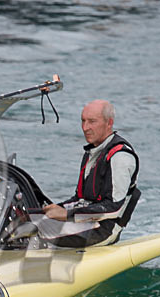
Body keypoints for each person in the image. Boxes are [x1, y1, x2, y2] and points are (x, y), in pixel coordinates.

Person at [40, 99, 140, 247]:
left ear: (109, 123)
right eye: (83, 121)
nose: (85, 127)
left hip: (103, 230)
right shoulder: (93, 151)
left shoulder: (120, 157)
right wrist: (58, 207)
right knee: (22, 219)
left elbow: (114, 208)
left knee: (31, 229)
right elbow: (81, 199)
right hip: (86, 222)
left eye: (92, 121)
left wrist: (67, 214)